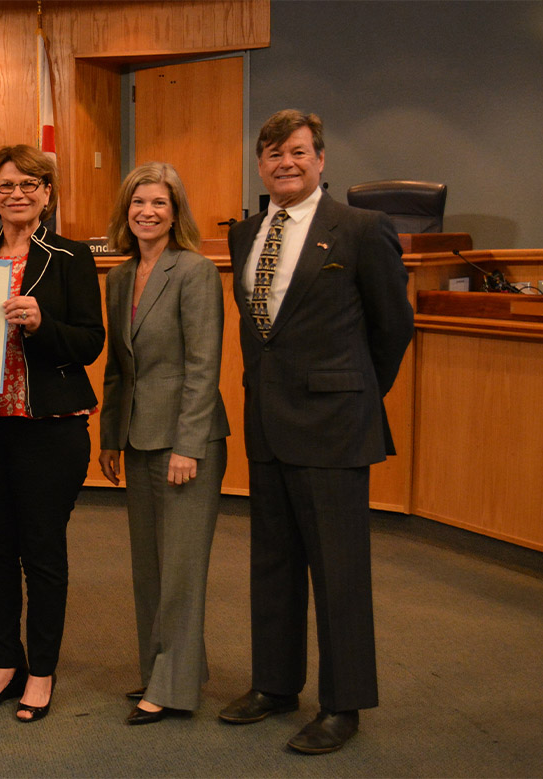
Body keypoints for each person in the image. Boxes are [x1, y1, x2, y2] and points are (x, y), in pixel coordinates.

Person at [218, 110, 414, 754]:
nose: (285, 164)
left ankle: (343, 704)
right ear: (260, 165)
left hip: (333, 425)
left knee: (339, 572)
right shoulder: (247, 234)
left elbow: (392, 329)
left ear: (321, 159)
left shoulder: (360, 229)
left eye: (297, 152)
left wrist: (354, 396)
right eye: (272, 155)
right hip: (268, 425)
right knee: (272, 563)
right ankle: (275, 685)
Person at [0, 145, 105, 723]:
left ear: (47, 194)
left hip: (48, 429)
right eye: (5, 185)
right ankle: (5, 661)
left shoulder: (69, 257)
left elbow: (89, 342)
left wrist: (42, 323)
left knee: (42, 552)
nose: (17, 194)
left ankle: (41, 670)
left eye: (29, 184)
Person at [98, 162, 230, 725]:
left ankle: (173, 688)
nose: (146, 212)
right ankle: (164, 667)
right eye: (137, 203)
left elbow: (204, 365)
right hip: (136, 434)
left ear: (176, 212)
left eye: (158, 203)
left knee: (180, 566)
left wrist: (188, 444)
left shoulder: (195, 271)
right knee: (149, 565)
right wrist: (109, 436)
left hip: (184, 439)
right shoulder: (123, 275)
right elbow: (118, 367)